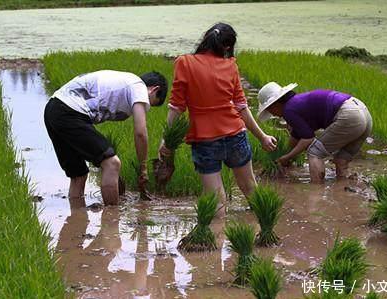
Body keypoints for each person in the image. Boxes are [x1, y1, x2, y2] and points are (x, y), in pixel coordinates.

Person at [159, 23, 277, 217]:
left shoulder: (184, 63)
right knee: (250, 187)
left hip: (204, 139)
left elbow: (177, 106)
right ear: (227, 47)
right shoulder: (230, 65)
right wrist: (263, 137)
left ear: (206, 39)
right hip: (236, 135)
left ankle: (215, 242)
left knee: (216, 197)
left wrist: (166, 139)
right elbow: (241, 107)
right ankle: (265, 228)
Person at [44, 70, 168, 206]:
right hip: (70, 112)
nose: (145, 107)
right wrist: (143, 167)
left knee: (78, 175)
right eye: (150, 103)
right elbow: (140, 133)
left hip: (53, 110)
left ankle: (76, 219)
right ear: (154, 89)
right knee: (112, 163)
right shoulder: (139, 86)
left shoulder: (126, 83)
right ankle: (112, 220)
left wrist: (113, 177)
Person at [257, 82, 373, 183]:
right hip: (363, 112)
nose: (273, 114)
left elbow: (308, 138)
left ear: (275, 104)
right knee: (341, 159)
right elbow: (297, 136)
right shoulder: (297, 103)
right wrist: (285, 155)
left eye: (270, 110)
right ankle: (343, 187)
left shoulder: (288, 110)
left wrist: (287, 157)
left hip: (349, 116)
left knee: (314, 152)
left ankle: (316, 192)